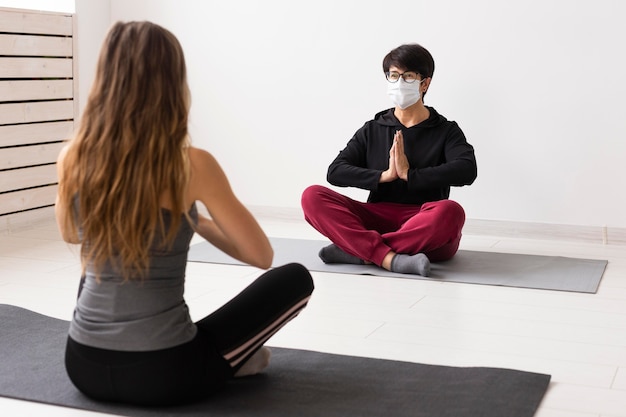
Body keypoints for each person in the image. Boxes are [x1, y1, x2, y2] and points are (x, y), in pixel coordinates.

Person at [55, 21, 314, 406]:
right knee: (294, 278)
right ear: (173, 84)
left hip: (83, 366)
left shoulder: (73, 156)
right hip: (163, 375)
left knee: (98, 258)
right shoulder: (190, 165)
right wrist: (196, 219)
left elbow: (73, 235)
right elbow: (261, 256)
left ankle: (223, 362)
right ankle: (228, 363)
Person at [301, 43, 477, 277]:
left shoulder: (446, 130)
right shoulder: (373, 128)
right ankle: (389, 257)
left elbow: (467, 170)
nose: (399, 82)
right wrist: (383, 176)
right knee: (312, 195)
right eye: (393, 76)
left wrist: (409, 175)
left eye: (408, 76)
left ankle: (359, 250)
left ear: (425, 83)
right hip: (376, 217)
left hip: (423, 222)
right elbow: (335, 172)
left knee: (451, 212)